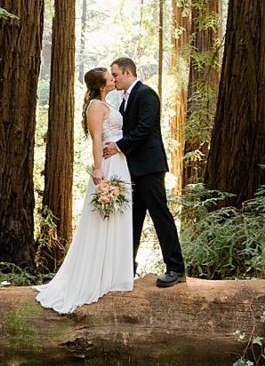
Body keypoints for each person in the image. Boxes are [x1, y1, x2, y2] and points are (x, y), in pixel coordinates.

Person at [35, 67, 136, 313]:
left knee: (119, 215)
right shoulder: (94, 106)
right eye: (108, 75)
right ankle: (97, 276)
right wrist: (98, 170)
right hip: (108, 163)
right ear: (101, 84)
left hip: (120, 162)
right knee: (105, 216)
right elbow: (97, 139)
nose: (113, 78)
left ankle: (115, 275)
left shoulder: (108, 104)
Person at [105, 56, 186, 287]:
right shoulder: (123, 100)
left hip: (150, 167)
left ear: (128, 73)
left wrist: (118, 146)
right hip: (132, 169)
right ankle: (126, 267)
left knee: (160, 216)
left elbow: (143, 129)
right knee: (132, 219)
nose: (113, 78)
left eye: (116, 74)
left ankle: (176, 268)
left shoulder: (147, 94)